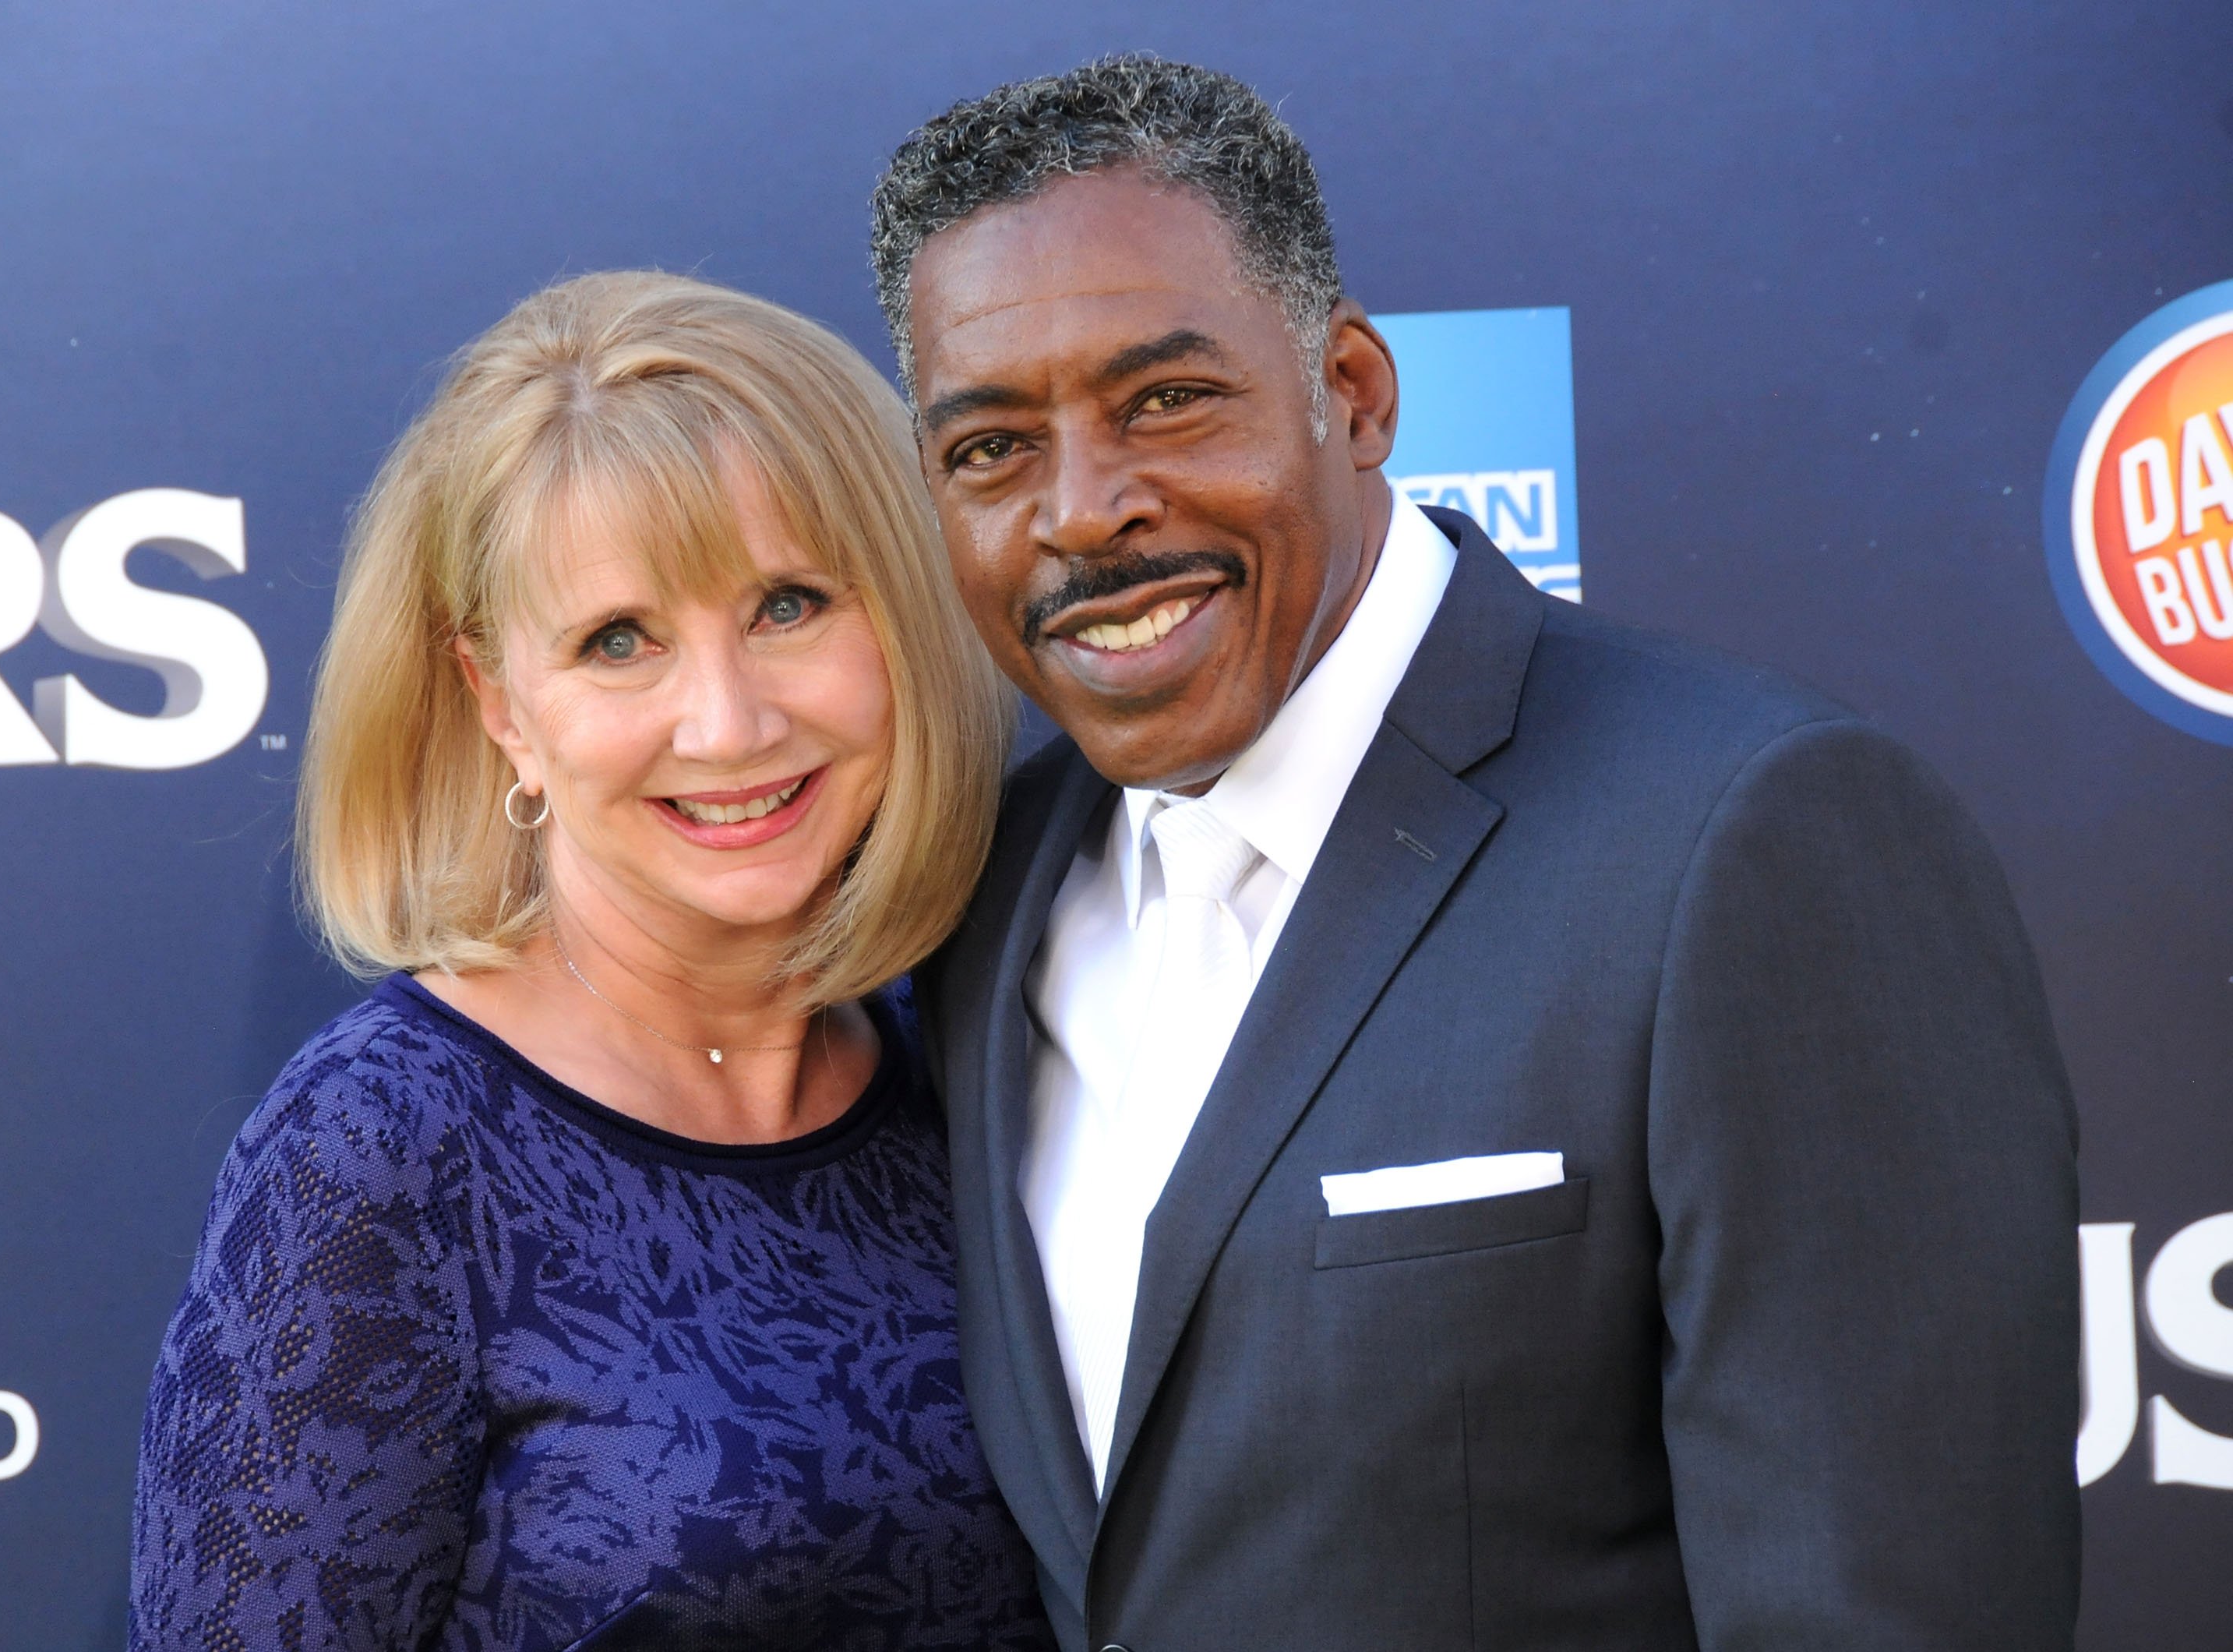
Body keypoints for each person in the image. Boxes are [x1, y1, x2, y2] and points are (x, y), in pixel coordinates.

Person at [872, 56, 2082, 1650]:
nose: (1083, 511)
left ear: (1355, 395)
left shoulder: (1751, 839)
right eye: (991, 450)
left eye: (1166, 398)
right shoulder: (974, 901)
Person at [128, 271, 1056, 1651]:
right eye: (618, 641)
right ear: (500, 702)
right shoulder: (385, 1150)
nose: (729, 723)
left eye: (790, 604)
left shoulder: (985, 1055)